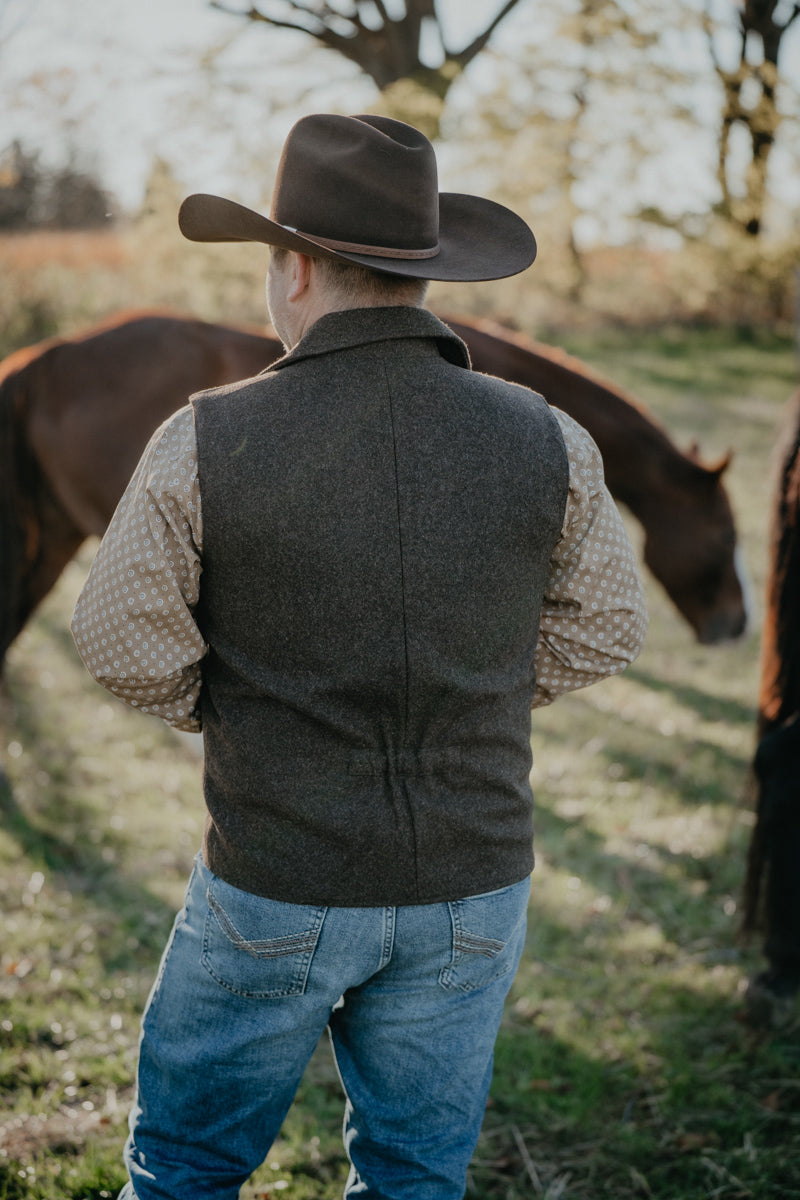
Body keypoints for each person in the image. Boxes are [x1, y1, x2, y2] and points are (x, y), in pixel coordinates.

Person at [71, 112, 648, 1200]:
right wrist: (468, 691)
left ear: (290, 270)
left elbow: (117, 641)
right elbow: (608, 626)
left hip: (275, 881)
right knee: (416, 1176)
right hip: (473, 888)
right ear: (423, 276)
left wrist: (247, 704)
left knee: (185, 1167)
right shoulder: (548, 434)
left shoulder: (202, 434)